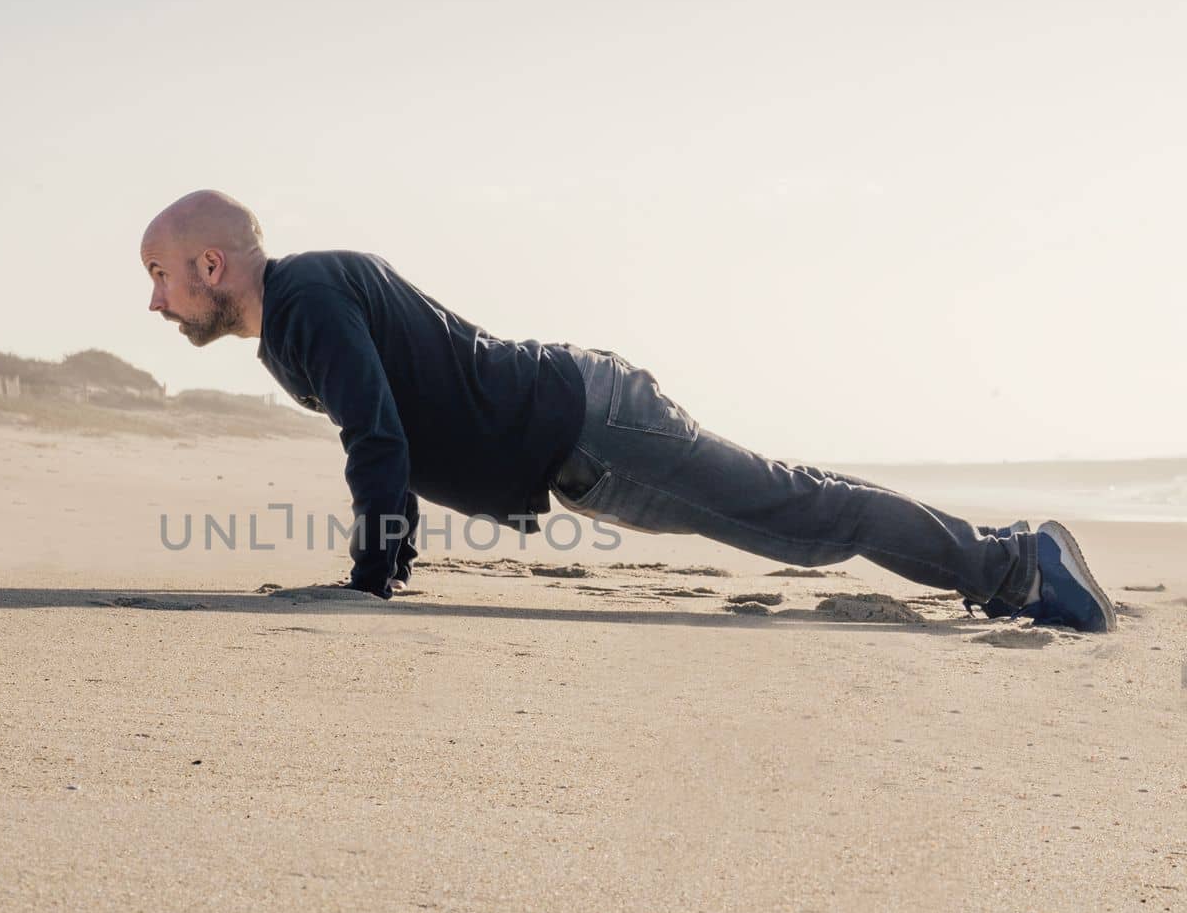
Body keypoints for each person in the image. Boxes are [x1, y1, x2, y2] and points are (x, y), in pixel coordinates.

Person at [138, 190, 1115, 633]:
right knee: (795, 522)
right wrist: (382, 568)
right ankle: (1005, 557)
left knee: (799, 516)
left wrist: (367, 578)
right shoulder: (294, 319)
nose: (156, 300)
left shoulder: (306, 299)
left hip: (589, 420)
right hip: (579, 450)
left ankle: (1016, 565)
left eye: (160, 276)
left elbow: (377, 433)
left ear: (209, 265)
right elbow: (389, 422)